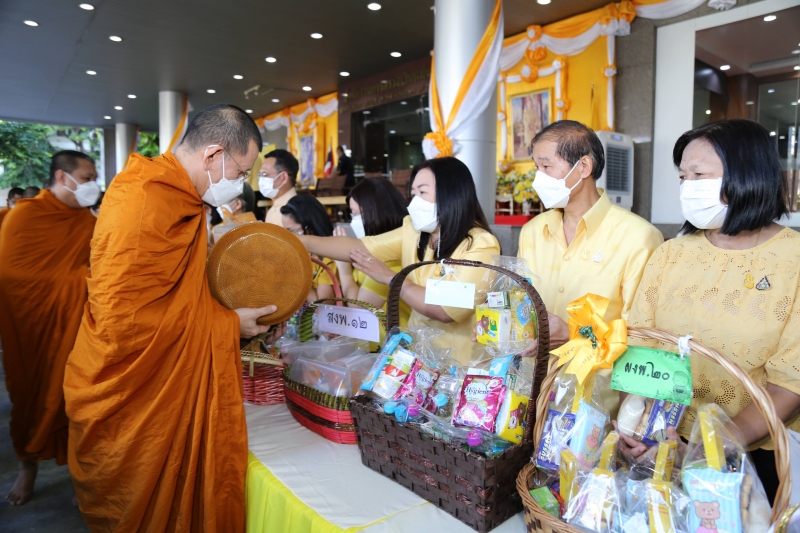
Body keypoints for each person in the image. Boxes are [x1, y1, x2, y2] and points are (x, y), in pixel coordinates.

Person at [63, 104, 286, 532]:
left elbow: (180, 293)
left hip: (168, 372)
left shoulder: (179, 197)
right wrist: (229, 325)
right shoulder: (147, 199)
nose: (241, 183)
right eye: (241, 171)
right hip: (132, 383)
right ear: (213, 154)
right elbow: (128, 325)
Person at [621, 119, 800, 503]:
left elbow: (790, 383)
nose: (687, 187)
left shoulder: (794, 260)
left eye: (699, 175)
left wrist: (709, 448)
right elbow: (640, 347)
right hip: (662, 439)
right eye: (682, 177)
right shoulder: (670, 254)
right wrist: (633, 424)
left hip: (755, 452)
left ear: (747, 175)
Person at [299, 157, 500, 361]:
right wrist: (298, 242)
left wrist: (392, 279)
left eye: (423, 192)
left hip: (460, 363)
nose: (415, 203)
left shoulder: (480, 244)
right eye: (413, 194)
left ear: (451, 194)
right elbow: (360, 247)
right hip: (418, 357)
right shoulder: (414, 232)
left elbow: (445, 310)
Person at [0, 150, 99, 505]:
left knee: (77, 401)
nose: (92, 185)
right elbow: (11, 276)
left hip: (75, 331)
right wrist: (79, 281)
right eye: (86, 178)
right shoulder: (25, 216)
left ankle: (80, 474)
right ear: (61, 176)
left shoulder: (87, 222)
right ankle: (27, 467)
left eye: (93, 179)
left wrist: (87, 280)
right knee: (30, 396)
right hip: (31, 331)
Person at [518, 120, 663, 350]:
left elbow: (642, 333)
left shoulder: (639, 237)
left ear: (584, 167)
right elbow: (520, 300)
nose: (538, 179)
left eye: (546, 166)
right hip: (536, 370)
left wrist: (574, 334)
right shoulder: (532, 232)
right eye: (537, 167)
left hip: (598, 372)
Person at [333, 177, 411, 326]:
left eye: (359, 213)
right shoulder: (369, 250)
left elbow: (358, 311)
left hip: (391, 339)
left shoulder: (391, 256)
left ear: (379, 211)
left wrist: (344, 270)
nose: (354, 221)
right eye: (352, 214)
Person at [281, 194, 338, 303]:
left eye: (291, 231)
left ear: (309, 227)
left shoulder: (330, 258)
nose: (288, 237)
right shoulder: (305, 252)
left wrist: (295, 275)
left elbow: (320, 307)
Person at [260, 148, 298, 226]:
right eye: (260, 175)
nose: (261, 179)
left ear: (283, 177)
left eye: (265, 174)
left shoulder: (295, 212)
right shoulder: (272, 210)